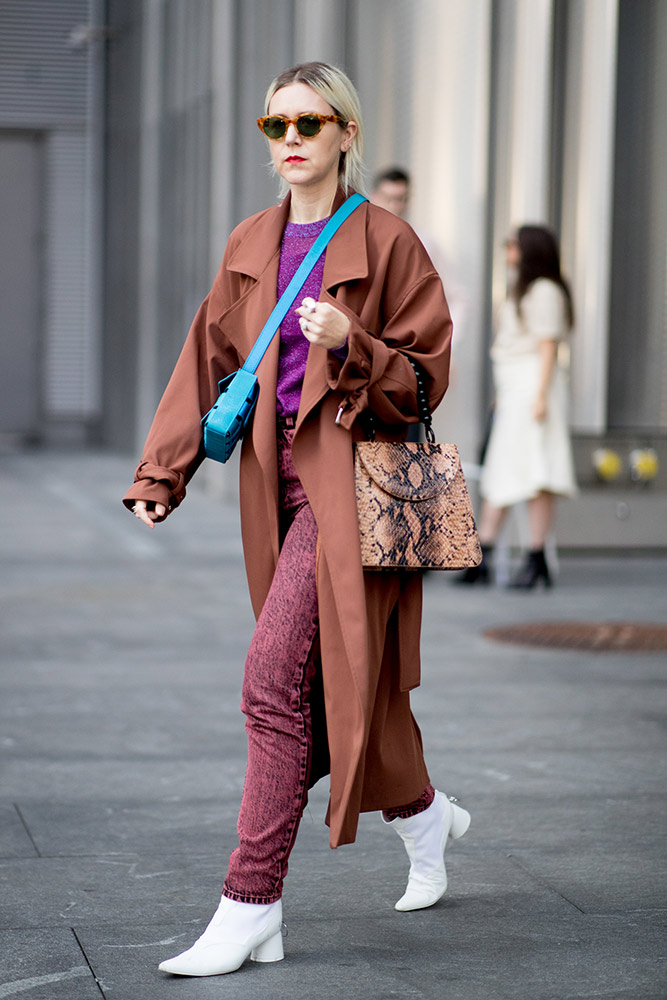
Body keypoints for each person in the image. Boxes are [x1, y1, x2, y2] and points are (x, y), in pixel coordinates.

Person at [123, 61, 469, 979]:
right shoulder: (250, 240)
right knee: (335, 684)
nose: (291, 143)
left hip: (352, 492)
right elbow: (206, 360)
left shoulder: (388, 242)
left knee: (273, 682)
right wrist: (163, 472)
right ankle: (427, 815)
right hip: (272, 493)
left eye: (310, 125)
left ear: (346, 135)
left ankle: (249, 903)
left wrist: (349, 344)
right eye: (275, 127)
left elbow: (428, 377)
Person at [460, 225, 576, 588]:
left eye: (513, 243)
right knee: (506, 469)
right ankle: (489, 554)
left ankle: (531, 556)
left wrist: (539, 396)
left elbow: (547, 347)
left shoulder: (543, 291)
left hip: (531, 390)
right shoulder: (526, 289)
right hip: (516, 389)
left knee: (535, 472)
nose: (508, 249)